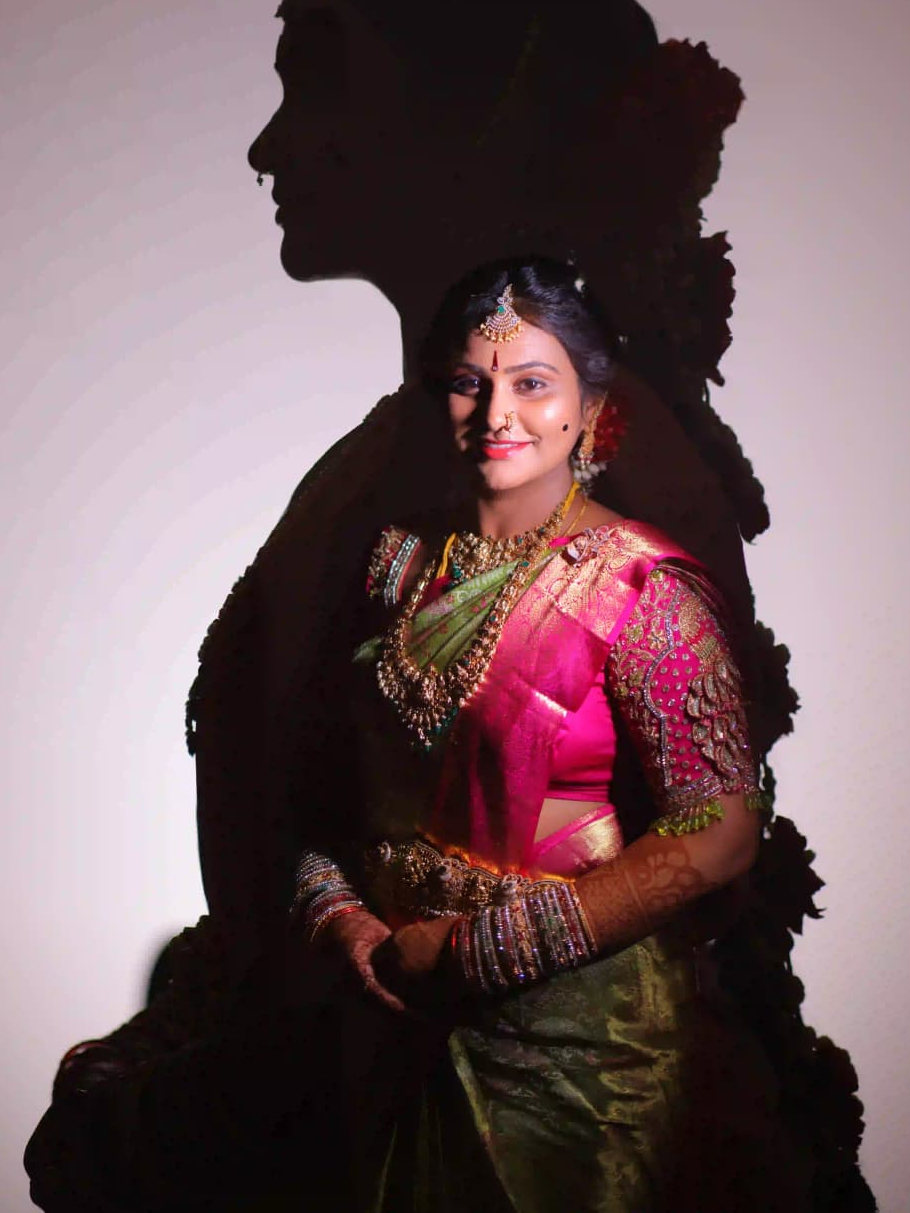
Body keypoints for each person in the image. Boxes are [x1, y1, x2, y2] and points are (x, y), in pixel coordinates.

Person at [25, 0, 873, 1210]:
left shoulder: (620, 467)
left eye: (322, 81)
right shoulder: (372, 471)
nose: (270, 144)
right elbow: (313, 810)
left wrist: (449, 967)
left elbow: (699, 852)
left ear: (472, 110)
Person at [286, 256, 804, 1211]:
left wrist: (483, 952)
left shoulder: (643, 584)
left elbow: (723, 829)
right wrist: (343, 919)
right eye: (468, 383)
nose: (497, 415)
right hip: (393, 1019)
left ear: (590, 410)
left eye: (532, 383)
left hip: (578, 1051)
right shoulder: (396, 562)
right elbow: (328, 791)